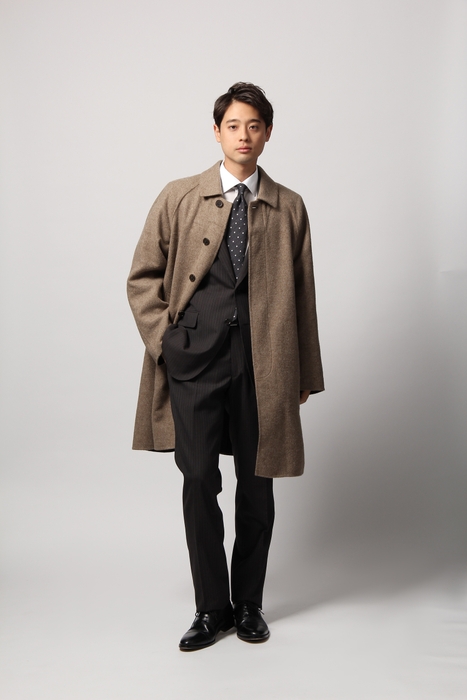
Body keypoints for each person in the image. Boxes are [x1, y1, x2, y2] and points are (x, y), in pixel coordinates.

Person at [127, 82, 324, 651]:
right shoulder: (180, 196)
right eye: (233, 125)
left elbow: (303, 294)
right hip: (195, 362)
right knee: (198, 481)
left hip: (265, 364)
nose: (244, 135)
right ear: (216, 132)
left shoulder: (289, 206)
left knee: (257, 484)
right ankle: (211, 608)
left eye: (254, 126)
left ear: (268, 133)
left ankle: (249, 604)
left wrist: (304, 375)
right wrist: (166, 342)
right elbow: (142, 276)